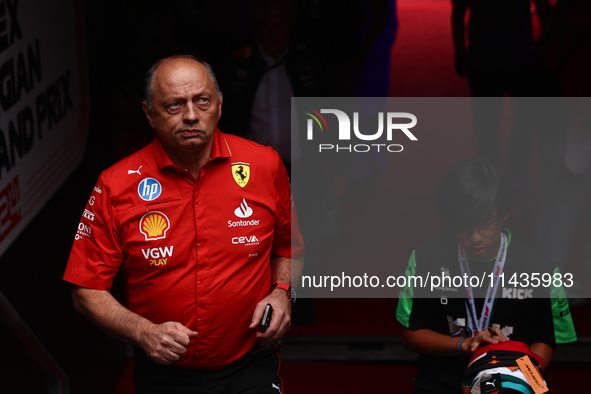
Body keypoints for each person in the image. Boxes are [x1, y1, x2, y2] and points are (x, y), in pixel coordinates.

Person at [63, 55, 304, 393]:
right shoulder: (116, 184)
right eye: (174, 105)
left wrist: (282, 294)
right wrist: (143, 332)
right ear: (149, 114)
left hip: (249, 363)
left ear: (219, 105)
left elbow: (287, 247)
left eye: (202, 101)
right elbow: (86, 289)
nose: (191, 115)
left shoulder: (264, 165)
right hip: (163, 370)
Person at [396, 159, 576, 393]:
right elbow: (412, 336)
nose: (476, 237)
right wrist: (464, 344)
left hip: (513, 385)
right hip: (442, 383)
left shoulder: (539, 269)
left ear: (504, 214)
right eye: (463, 226)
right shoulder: (426, 258)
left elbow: (547, 340)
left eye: (486, 224)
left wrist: (520, 376)